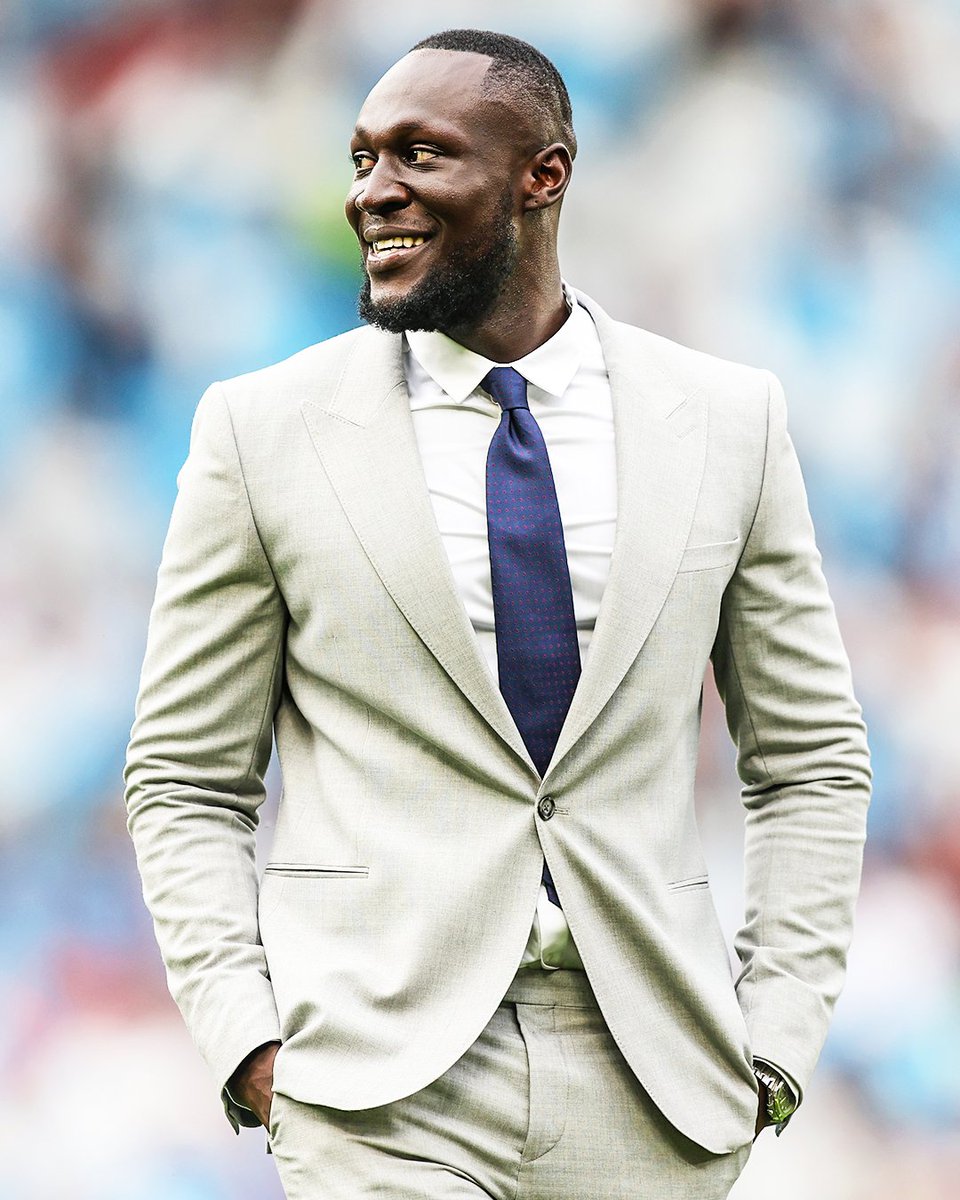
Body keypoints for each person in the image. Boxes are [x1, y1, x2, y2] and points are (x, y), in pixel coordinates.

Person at [124, 28, 871, 1200]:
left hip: (654, 1086)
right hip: (379, 1089)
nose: (375, 193)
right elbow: (184, 775)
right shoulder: (258, 431)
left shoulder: (729, 422)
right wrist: (249, 1043)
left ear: (544, 174)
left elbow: (812, 758)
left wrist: (775, 1038)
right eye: (364, 158)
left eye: (421, 156)